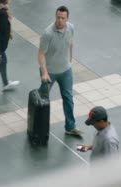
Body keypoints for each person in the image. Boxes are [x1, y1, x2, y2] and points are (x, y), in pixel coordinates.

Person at [38, 6, 82, 136]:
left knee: (68, 98)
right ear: (55, 17)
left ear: (67, 19)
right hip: (50, 72)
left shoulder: (71, 28)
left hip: (65, 71)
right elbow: (41, 55)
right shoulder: (48, 34)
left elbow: (71, 43)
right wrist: (44, 73)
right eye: (58, 17)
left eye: (63, 18)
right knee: (42, 99)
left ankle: (70, 126)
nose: (60, 20)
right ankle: (36, 120)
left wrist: (71, 60)